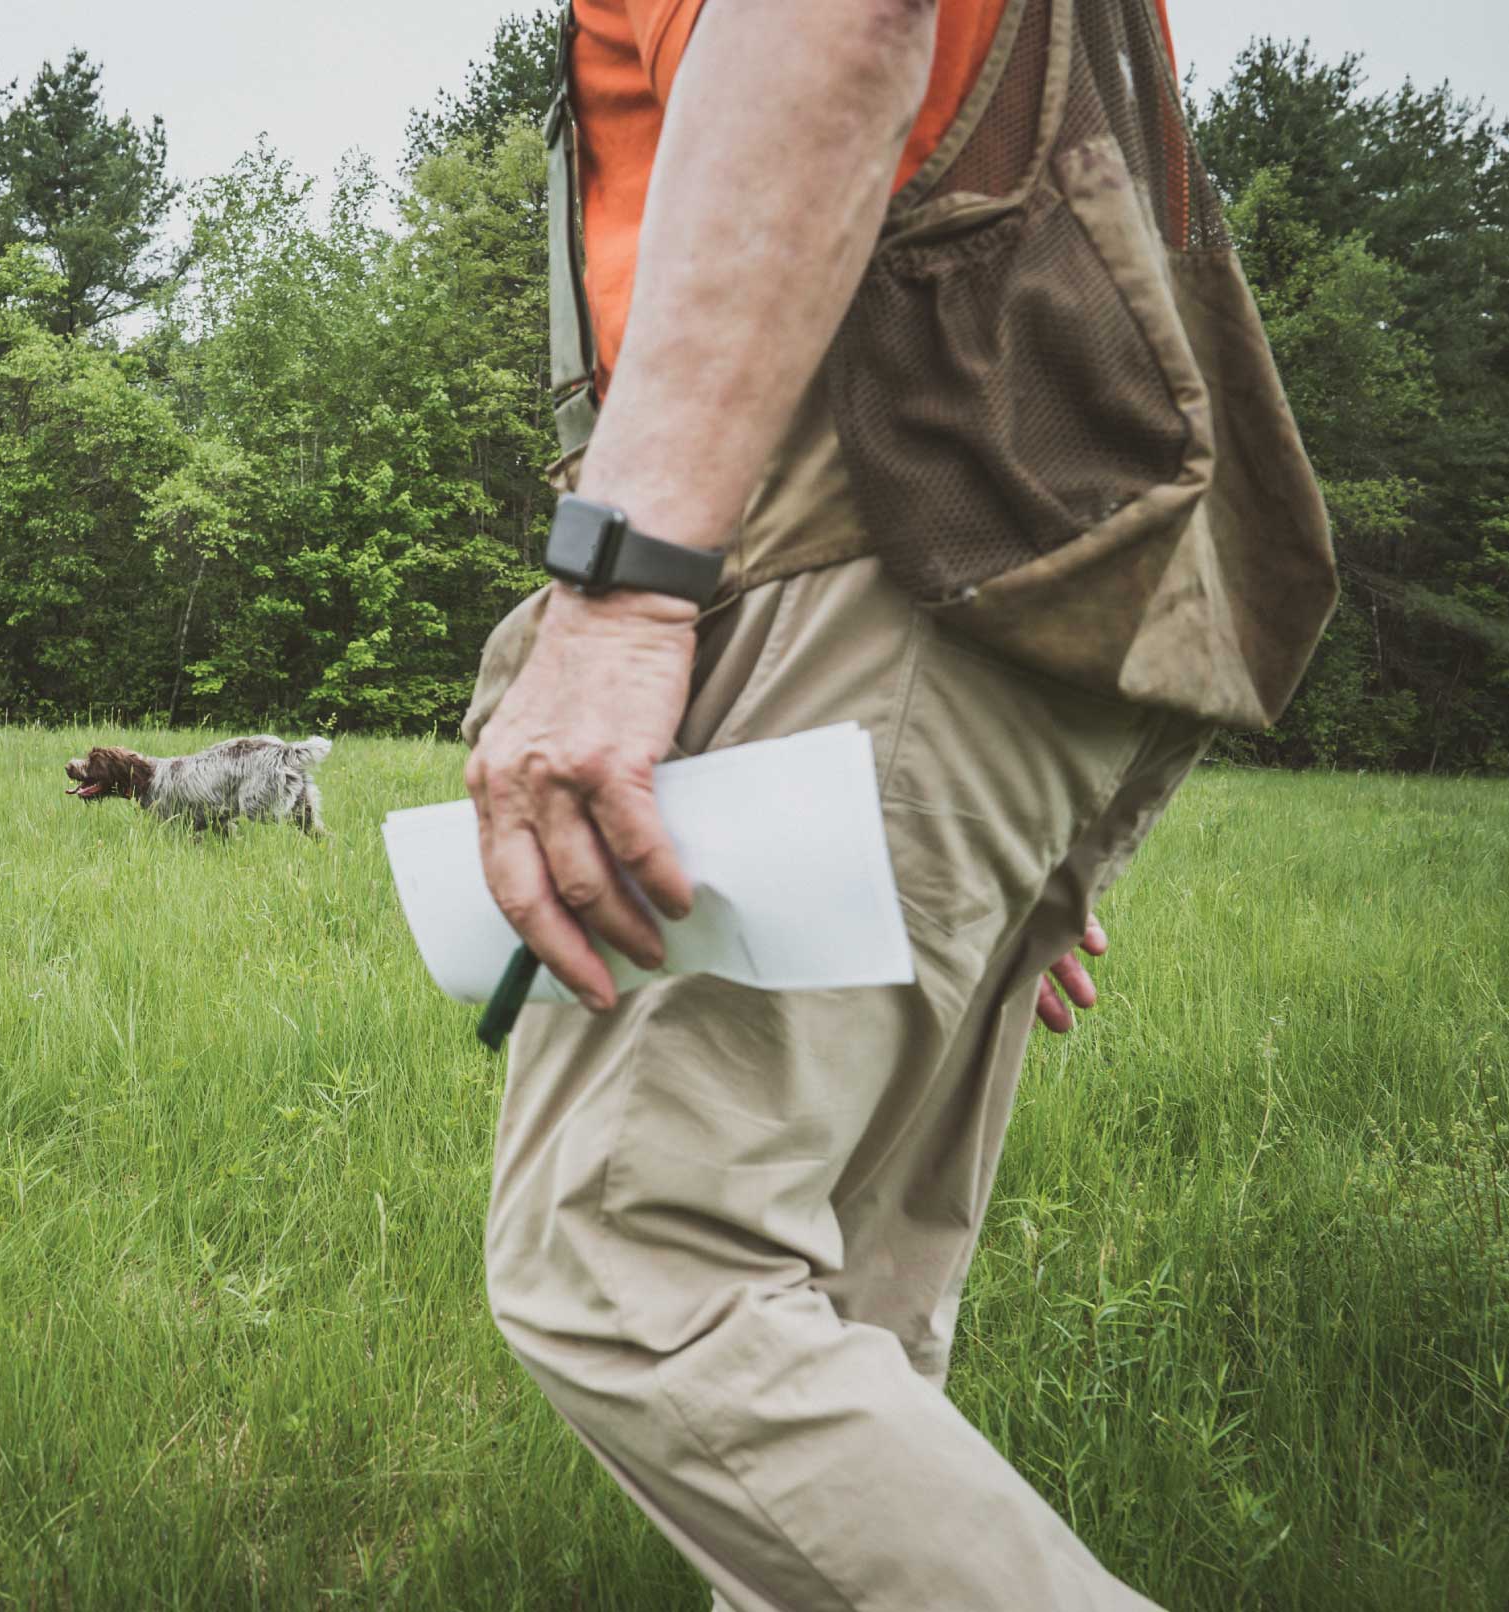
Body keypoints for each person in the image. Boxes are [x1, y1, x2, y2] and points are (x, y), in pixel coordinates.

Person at [461, 0, 1212, 1606]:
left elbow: (839, 22)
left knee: (645, 1271)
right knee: (834, 1330)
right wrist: (981, 792)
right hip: (1033, 562)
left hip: (868, 520)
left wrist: (626, 588)